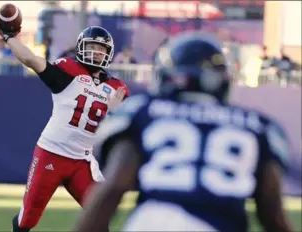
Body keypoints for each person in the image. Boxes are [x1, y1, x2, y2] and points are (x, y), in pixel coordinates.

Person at [74, 32, 293, 232]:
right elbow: (271, 208)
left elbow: (115, 187)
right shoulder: (257, 125)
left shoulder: (144, 111)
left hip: (152, 222)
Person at [0, 17, 129, 232]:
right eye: (92, 47)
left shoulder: (116, 87)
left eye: (101, 49)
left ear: (109, 53)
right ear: (81, 48)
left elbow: (122, 127)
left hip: (82, 161)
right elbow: (31, 59)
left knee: (101, 218)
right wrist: (9, 37)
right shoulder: (68, 71)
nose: (96, 52)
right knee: (26, 221)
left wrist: (116, 112)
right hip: (51, 153)